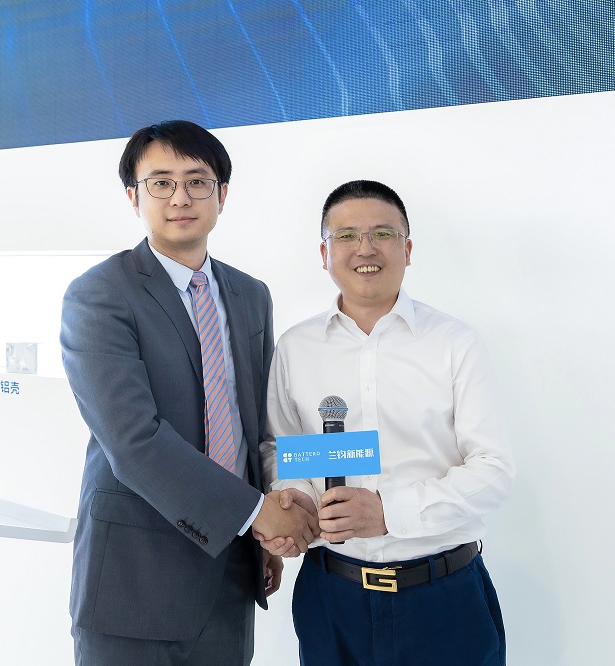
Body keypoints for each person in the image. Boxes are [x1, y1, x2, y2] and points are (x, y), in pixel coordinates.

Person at [60, 120, 318, 666]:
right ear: (134, 197)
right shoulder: (99, 296)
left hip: (232, 574)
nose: (180, 198)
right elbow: (134, 441)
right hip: (135, 580)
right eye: (161, 182)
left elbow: (255, 425)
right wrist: (256, 513)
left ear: (222, 195)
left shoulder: (250, 295)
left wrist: (263, 526)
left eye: (198, 182)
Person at [259, 180, 515, 665]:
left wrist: (387, 511)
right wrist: (296, 501)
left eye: (383, 233)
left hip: (443, 598)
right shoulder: (296, 347)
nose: (365, 248)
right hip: (332, 597)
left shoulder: (454, 344)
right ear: (324, 253)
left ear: (408, 250)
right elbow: (281, 449)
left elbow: (493, 470)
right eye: (347, 235)